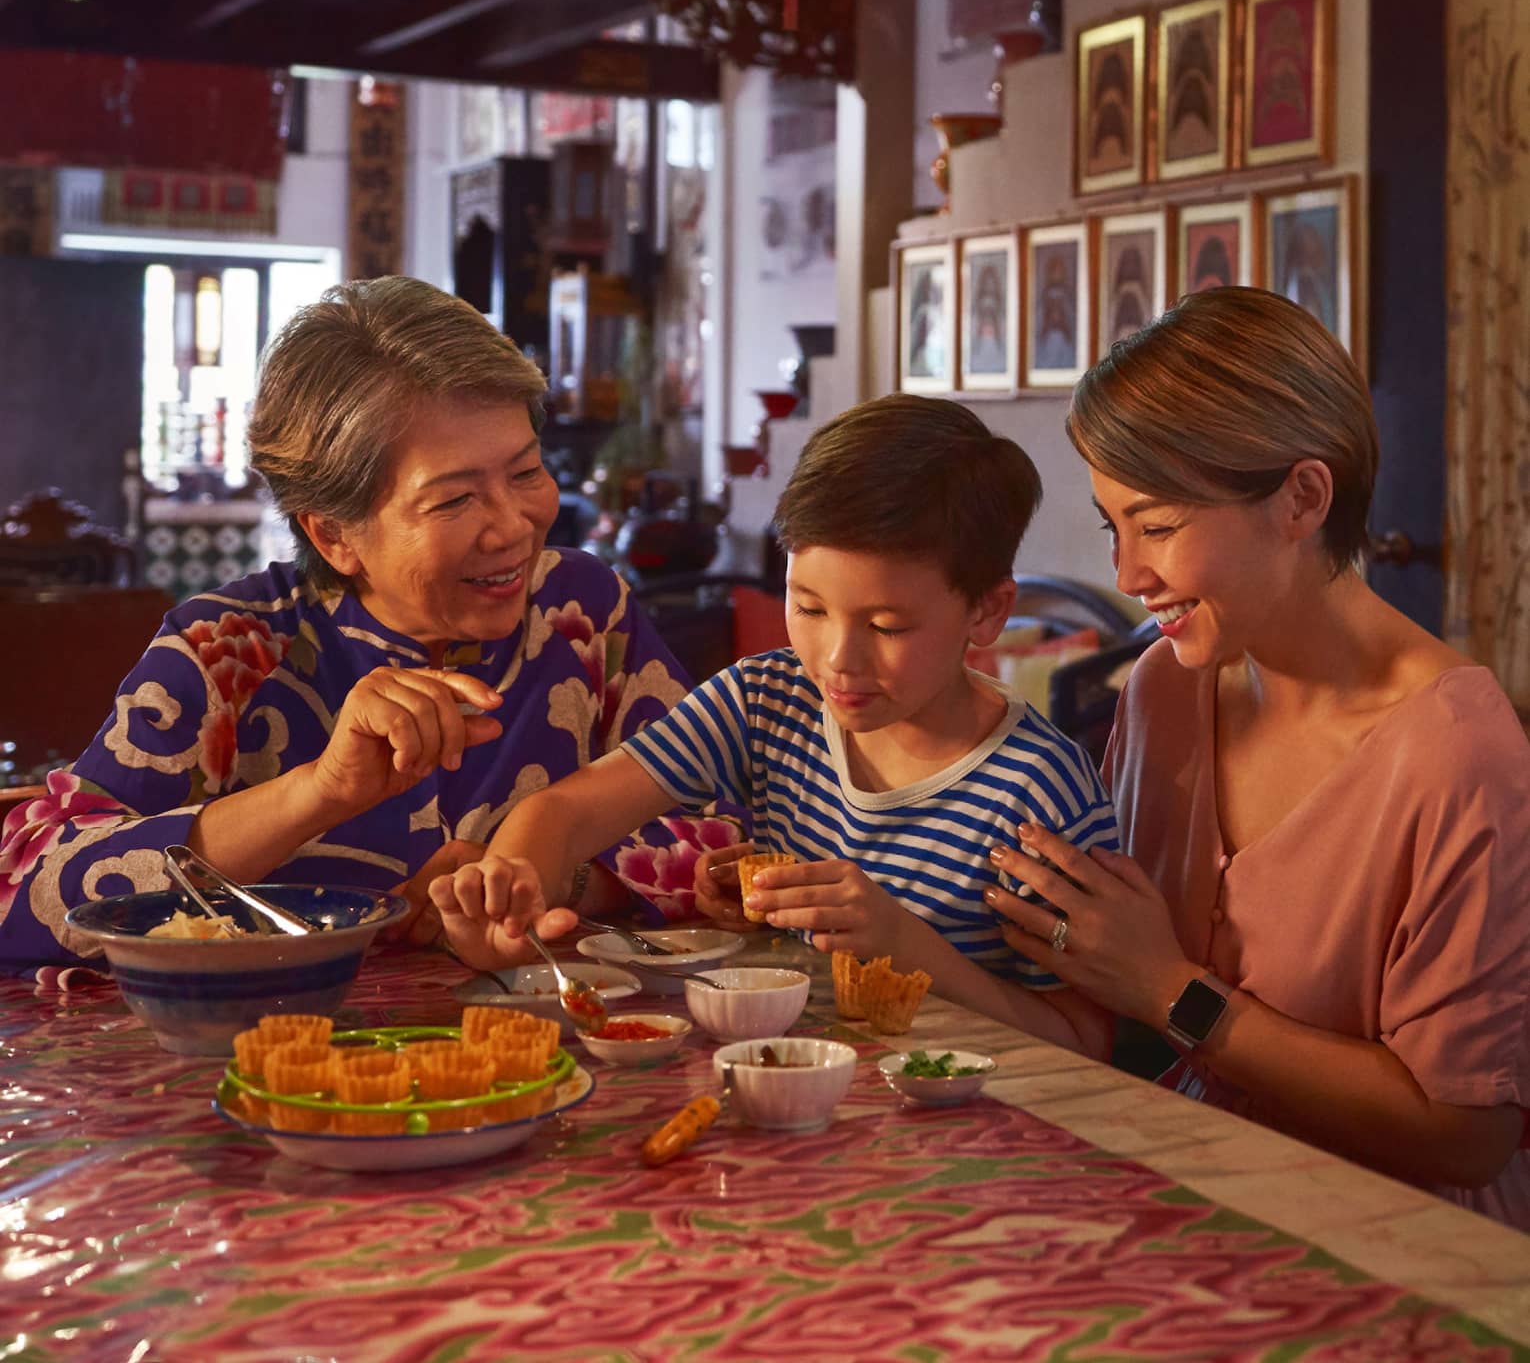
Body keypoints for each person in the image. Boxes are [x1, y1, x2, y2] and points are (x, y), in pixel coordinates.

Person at [985, 285, 1530, 1225]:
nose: (1126, 576)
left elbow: (1466, 1133)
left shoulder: (1457, 754)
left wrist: (1173, 993)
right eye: (1116, 527)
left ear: (1302, 499)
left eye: (1156, 527)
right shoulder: (1165, 687)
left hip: (1403, 1246)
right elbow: (1109, 979)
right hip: (1203, 1187)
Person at [0, 277, 732, 973]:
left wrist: (536, 878)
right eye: (453, 502)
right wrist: (319, 791)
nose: (514, 527)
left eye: (526, 472)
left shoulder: (580, 612)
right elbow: (26, 884)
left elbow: (726, 831)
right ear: (334, 536)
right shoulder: (230, 651)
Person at [431, 396, 1118, 1053]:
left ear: (988, 612)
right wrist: (511, 895)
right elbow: (567, 812)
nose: (837, 661)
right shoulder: (770, 700)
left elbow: (1090, 1046)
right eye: (809, 608)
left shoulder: (1037, 793)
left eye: (887, 626)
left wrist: (902, 947)